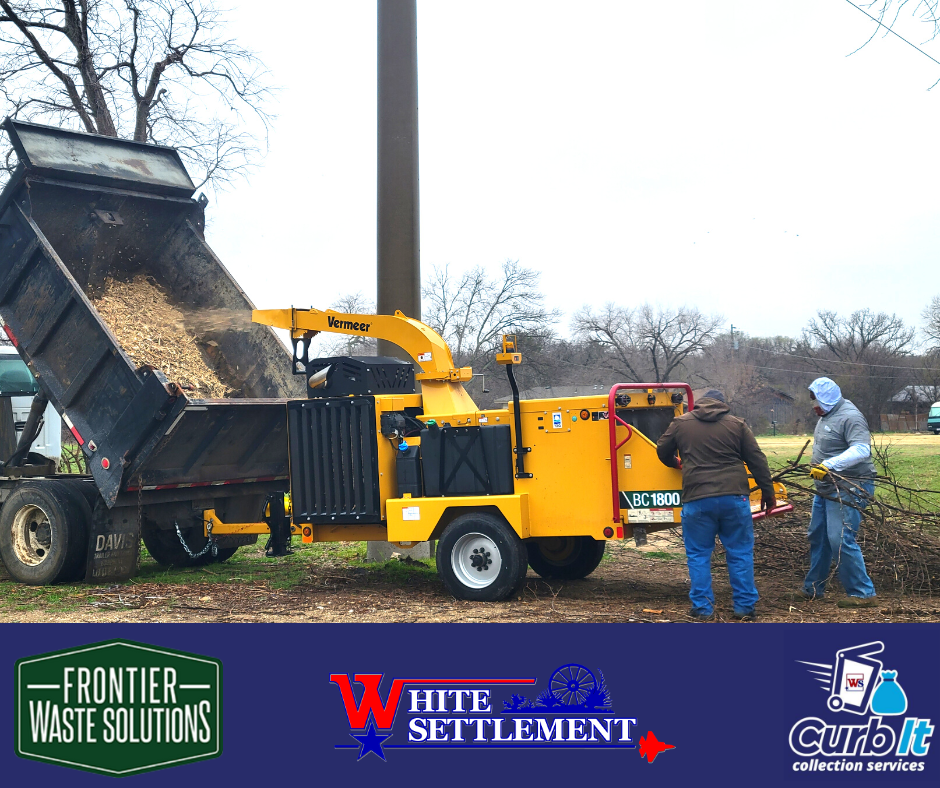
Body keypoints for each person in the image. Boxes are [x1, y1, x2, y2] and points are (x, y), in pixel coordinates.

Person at [656, 389, 775, 620]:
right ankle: (744, 607)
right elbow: (757, 459)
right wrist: (767, 492)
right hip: (734, 497)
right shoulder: (737, 425)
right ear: (722, 404)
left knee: (698, 554)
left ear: (700, 404)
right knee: (740, 552)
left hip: (697, 498)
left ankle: (702, 608)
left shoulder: (681, 423)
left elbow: (662, 449)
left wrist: (675, 462)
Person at [798, 377, 878, 607]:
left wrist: (829, 465)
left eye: (817, 401)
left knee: (840, 538)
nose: (813, 407)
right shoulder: (826, 416)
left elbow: (862, 449)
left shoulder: (850, 417)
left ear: (828, 398)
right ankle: (813, 588)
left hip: (849, 486)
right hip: (825, 488)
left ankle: (863, 592)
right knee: (818, 535)